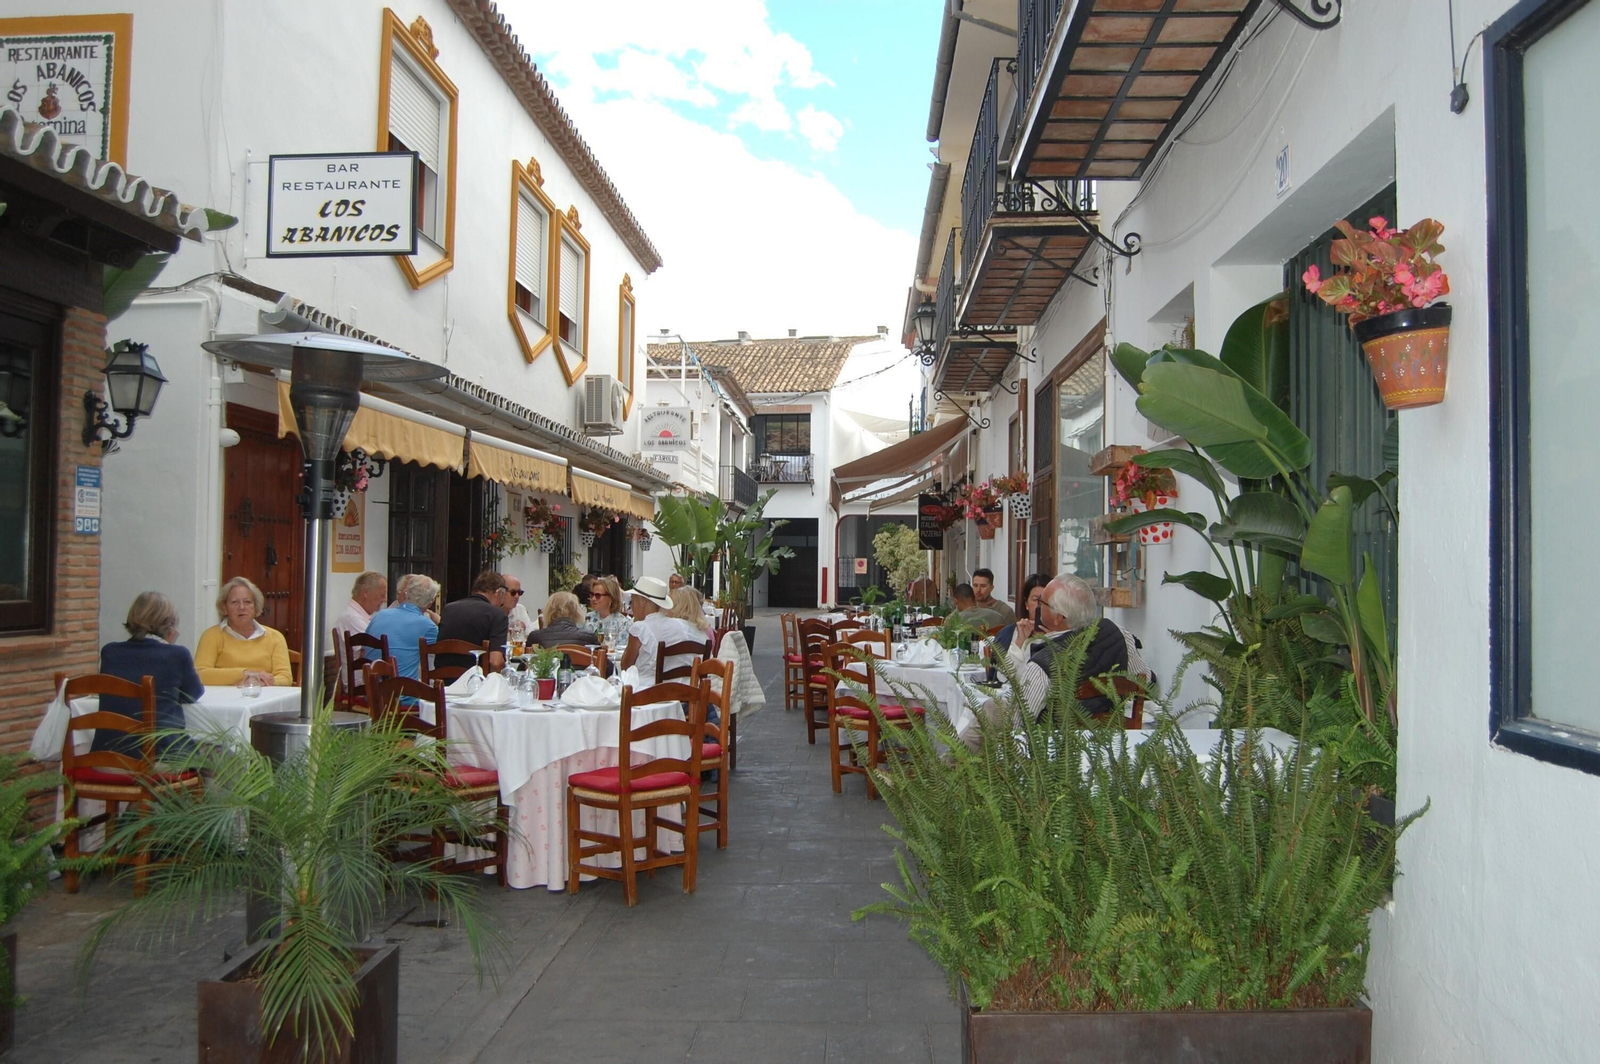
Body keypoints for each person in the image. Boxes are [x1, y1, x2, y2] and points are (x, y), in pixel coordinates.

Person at [957, 575, 1132, 752]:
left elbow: (1021, 725)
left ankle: (952, 768)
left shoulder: (1043, 665)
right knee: (990, 708)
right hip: (1109, 737)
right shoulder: (1118, 634)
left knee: (988, 711)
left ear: (1058, 618)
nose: (1038, 607)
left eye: (1043, 603)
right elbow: (1144, 679)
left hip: (1053, 743)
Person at [92, 592, 204, 758]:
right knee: (222, 755)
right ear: (170, 624)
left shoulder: (110, 652)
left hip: (108, 757)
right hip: (161, 759)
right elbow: (193, 694)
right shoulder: (177, 654)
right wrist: (169, 645)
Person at [194, 576, 293, 687]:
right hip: (224, 700)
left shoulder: (275, 637)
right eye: (234, 602)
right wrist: (246, 674)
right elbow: (200, 674)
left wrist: (255, 683)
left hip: (264, 698)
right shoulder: (211, 636)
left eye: (247, 602)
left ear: (256, 607)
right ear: (224, 608)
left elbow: (285, 677)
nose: (241, 607)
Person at [619, 576, 709, 681]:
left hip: (647, 693)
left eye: (633, 601)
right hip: (689, 693)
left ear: (642, 602)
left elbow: (625, 667)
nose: (632, 607)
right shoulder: (691, 628)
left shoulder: (641, 628)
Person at [365, 574, 440, 680]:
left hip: (372, 691)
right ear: (430, 602)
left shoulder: (380, 615)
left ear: (406, 594)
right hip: (404, 692)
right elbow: (445, 651)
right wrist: (440, 622)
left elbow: (363, 653)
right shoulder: (427, 626)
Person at [436, 569, 511, 672]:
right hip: (476, 682)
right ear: (498, 593)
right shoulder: (497, 615)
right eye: (503, 596)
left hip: (443, 679)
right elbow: (496, 661)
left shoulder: (448, 609)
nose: (502, 602)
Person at [994, 574, 1048, 652]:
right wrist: (1020, 641)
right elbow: (998, 663)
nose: (1040, 605)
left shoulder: (1060, 635)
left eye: (1045, 600)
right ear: (1026, 603)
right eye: (1035, 599)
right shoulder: (1009, 633)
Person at [528, 592, 600, 649]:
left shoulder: (535, 637)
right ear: (576, 611)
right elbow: (603, 662)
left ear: (548, 611)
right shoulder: (589, 637)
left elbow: (524, 664)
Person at [333, 570, 387, 644]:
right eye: (382, 595)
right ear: (366, 592)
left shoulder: (358, 616)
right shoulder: (352, 618)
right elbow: (370, 650)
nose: (385, 600)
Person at [584, 575, 631, 648]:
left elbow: (621, 650)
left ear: (611, 598)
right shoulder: (588, 617)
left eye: (598, 595)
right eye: (592, 594)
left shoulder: (623, 623)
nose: (593, 599)